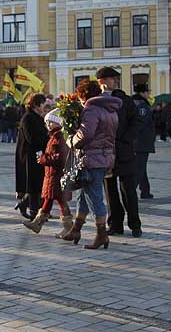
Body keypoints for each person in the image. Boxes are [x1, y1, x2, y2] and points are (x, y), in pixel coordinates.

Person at [61, 80, 120, 250]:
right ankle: (76, 229)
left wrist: (71, 140)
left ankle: (102, 234)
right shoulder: (110, 109)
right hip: (104, 156)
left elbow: (86, 134)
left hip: (92, 158)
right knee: (84, 195)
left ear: (84, 95)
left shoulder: (91, 109)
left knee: (94, 197)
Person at [96, 68, 142, 238]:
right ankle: (115, 224)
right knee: (110, 191)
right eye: (111, 79)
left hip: (124, 152)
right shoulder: (96, 101)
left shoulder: (125, 100)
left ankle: (135, 224)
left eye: (116, 79)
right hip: (105, 153)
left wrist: (126, 138)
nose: (115, 81)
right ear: (102, 81)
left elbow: (137, 122)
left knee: (128, 190)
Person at [24, 110, 70, 235]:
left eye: (51, 122)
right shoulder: (54, 136)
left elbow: (60, 156)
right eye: (47, 122)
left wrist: (44, 159)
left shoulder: (60, 137)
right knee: (48, 199)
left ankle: (68, 227)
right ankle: (37, 223)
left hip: (57, 174)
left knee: (60, 200)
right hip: (52, 174)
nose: (48, 125)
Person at [15, 94, 47, 219]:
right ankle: (34, 213)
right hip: (29, 156)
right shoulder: (28, 118)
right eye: (43, 103)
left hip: (38, 154)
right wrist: (47, 139)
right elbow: (32, 139)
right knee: (34, 185)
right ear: (36, 105)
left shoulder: (38, 117)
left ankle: (25, 205)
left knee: (39, 183)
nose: (45, 106)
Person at [131, 83, 155, 199]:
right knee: (139, 168)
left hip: (138, 142)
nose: (149, 94)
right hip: (141, 142)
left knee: (141, 168)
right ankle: (130, 191)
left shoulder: (134, 103)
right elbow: (140, 123)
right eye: (147, 92)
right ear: (142, 93)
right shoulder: (141, 106)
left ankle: (145, 191)